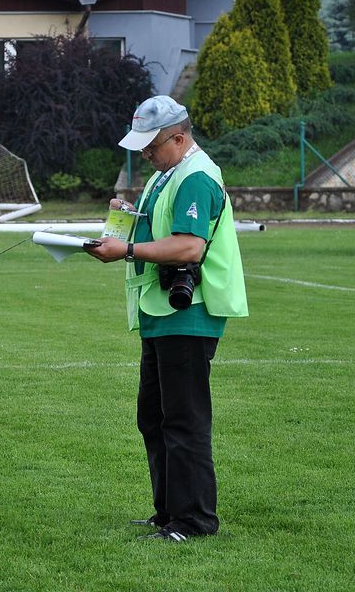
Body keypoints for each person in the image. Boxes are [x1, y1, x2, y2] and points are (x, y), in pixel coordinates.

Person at [85, 95, 248, 541]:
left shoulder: (195, 176)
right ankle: (169, 514)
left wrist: (126, 249)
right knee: (154, 417)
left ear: (178, 138)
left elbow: (189, 246)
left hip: (188, 312)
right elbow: (161, 231)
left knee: (183, 419)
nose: (145, 154)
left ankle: (193, 521)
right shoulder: (168, 174)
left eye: (151, 146)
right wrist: (125, 222)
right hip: (163, 309)